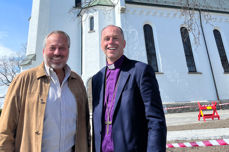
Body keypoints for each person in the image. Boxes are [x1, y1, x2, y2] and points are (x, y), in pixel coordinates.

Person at [0, 31, 90, 152]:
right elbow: (5, 129)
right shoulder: (23, 80)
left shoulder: (77, 82)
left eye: (62, 48)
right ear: (43, 51)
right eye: (52, 48)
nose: (57, 53)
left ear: (68, 51)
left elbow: (85, 128)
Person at [91, 25, 167, 152]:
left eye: (115, 38)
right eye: (106, 39)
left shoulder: (140, 71)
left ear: (124, 43)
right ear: (101, 44)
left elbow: (155, 120)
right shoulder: (96, 79)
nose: (110, 42)